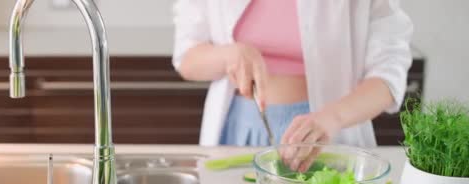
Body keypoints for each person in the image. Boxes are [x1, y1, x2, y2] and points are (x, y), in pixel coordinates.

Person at [172, 0, 413, 160]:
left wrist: (333, 118)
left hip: (330, 134)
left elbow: (388, 74)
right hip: (239, 131)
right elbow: (187, 59)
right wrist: (228, 54)